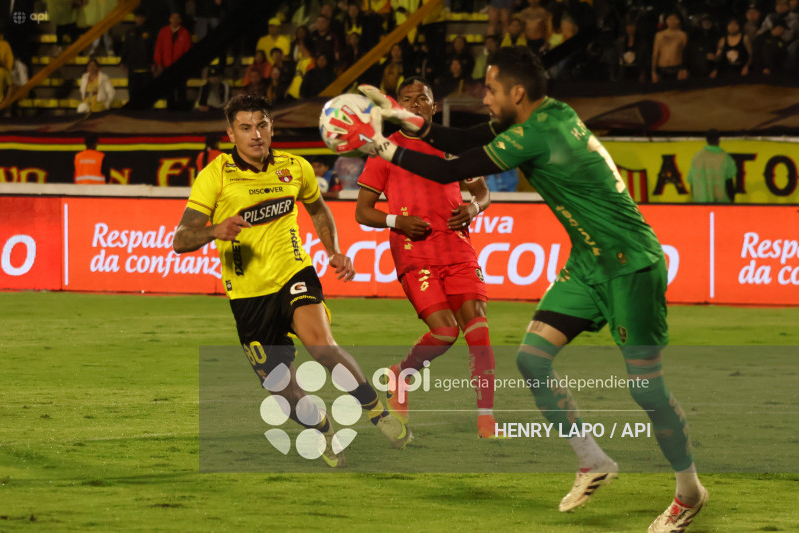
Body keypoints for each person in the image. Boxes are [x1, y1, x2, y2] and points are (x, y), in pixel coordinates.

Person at [338, 47, 708, 533]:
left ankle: (688, 492)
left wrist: (380, 145)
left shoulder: (536, 135)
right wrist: (401, 118)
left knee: (647, 390)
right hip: (588, 262)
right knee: (532, 359)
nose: (484, 99)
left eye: (490, 90)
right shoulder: (548, 113)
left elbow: (450, 168)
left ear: (516, 93)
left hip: (630, 264)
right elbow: (460, 138)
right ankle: (592, 460)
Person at [172, 94, 412, 468]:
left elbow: (318, 208)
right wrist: (214, 230)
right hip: (249, 296)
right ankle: (323, 428)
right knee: (282, 390)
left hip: (294, 273)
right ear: (231, 133)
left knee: (322, 346)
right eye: (245, 128)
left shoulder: (295, 167)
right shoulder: (215, 176)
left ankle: (377, 412)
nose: (255, 134)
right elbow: (180, 239)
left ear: (272, 127)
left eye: (262, 125)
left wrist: (333, 251)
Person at [354, 77, 498, 438]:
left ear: (434, 106)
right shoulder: (385, 150)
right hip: (413, 252)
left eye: (422, 98)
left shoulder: (451, 146)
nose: (415, 104)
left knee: (478, 329)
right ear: (397, 107)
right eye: (407, 99)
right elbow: (362, 211)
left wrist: (474, 208)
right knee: (446, 332)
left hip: (457, 248)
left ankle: (487, 420)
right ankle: (401, 376)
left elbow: (482, 193)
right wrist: (397, 221)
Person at [154, 12, 192, 110]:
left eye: (177, 18)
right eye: (173, 18)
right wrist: (159, 63)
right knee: (168, 88)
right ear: (169, 19)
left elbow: (187, 50)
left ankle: (182, 107)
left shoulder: (185, 33)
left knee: (181, 87)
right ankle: (170, 108)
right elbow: (159, 48)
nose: (175, 20)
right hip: (167, 65)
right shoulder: (163, 31)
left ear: (180, 20)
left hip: (180, 66)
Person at [687, 129, 736, 203]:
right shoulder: (725, 157)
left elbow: (692, 182)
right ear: (718, 140)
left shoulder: (697, 157)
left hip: (700, 202)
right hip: (720, 203)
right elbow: (729, 183)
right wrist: (731, 200)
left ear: (707, 140)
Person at [120, 8, 155, 102]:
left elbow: (153, 48)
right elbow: (126, 47)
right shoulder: (130, 32)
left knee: (146, 94)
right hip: (132, 67)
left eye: (140, 17)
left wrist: (153, 62)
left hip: (146, 68)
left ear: (144, 18)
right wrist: (122, 61)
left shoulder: (150, 32)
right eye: (136, 17)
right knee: (132, 92)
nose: (138, 19)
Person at [651, 12, 689, 82]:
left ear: (679, 21)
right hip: (662, 68)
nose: (672, 21)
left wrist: (684, 69)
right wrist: (653, 71)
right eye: (670, 19)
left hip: (677, 68)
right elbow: (655, 54)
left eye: (675, 19)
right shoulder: (659, 35)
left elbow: (686, 53)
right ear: (666, 21)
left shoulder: (682, 35)